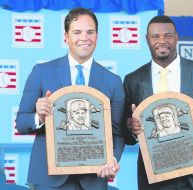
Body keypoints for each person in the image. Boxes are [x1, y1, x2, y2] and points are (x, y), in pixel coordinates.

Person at [16, 8, 125, 190]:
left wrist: (111, 160)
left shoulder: (113, 81)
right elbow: (21, 122)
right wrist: (39, 117)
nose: (84, 37)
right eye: (77, 32)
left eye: (90, 32)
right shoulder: (41, 72)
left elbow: (118, 133)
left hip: (93, 179)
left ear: (97, 36)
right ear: (66, 37)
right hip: (48, 178)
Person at [123, 15, 193, 190]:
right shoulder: (133, 80)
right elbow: (127, 134)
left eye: (167, 35)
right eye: (155, 36)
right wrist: (130, 128)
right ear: (147, 40)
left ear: (176, 37)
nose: (161, 41)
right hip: (156, 179)